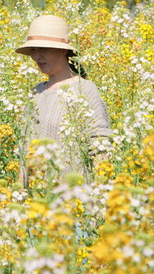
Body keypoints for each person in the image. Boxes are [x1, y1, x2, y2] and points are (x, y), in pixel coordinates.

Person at [15, 14, 112, 179]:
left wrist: (100, 186)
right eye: (33, 50)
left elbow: (100, 144)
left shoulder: (85, 89)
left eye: (42, 49)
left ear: (63, 50)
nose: (36, 56)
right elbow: (24, 148)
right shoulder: (36, 92)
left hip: (74, 190)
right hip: (37, 192)